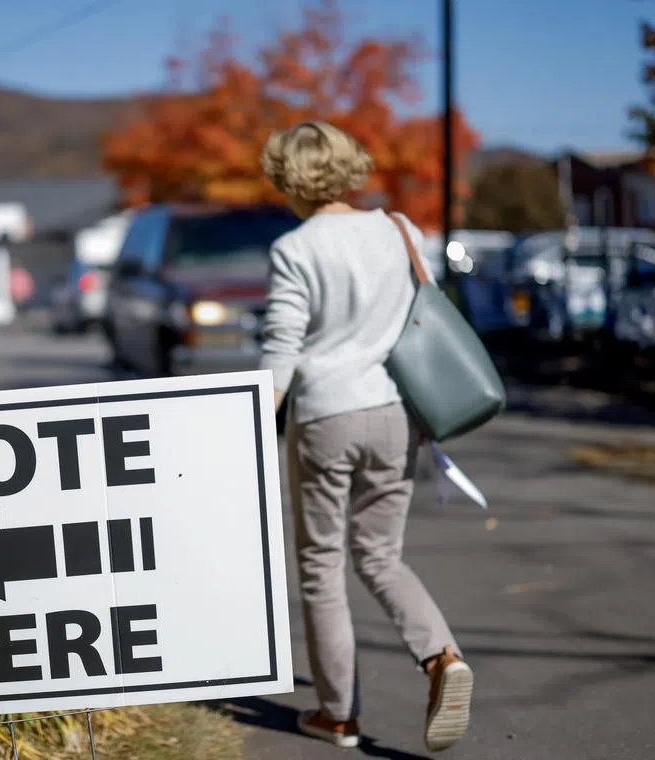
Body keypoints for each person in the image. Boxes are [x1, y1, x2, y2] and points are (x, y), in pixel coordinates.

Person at [259, 121, 474, 752]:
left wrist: (252, 419)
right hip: (393, 412)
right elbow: (421, 313)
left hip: (325, 416)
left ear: (289, 179)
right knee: (381, 555)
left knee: (321, 566)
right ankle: (441, 658)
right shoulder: (400, 230)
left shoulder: (295, 249)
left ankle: (339, 715)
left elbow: (282, 349)